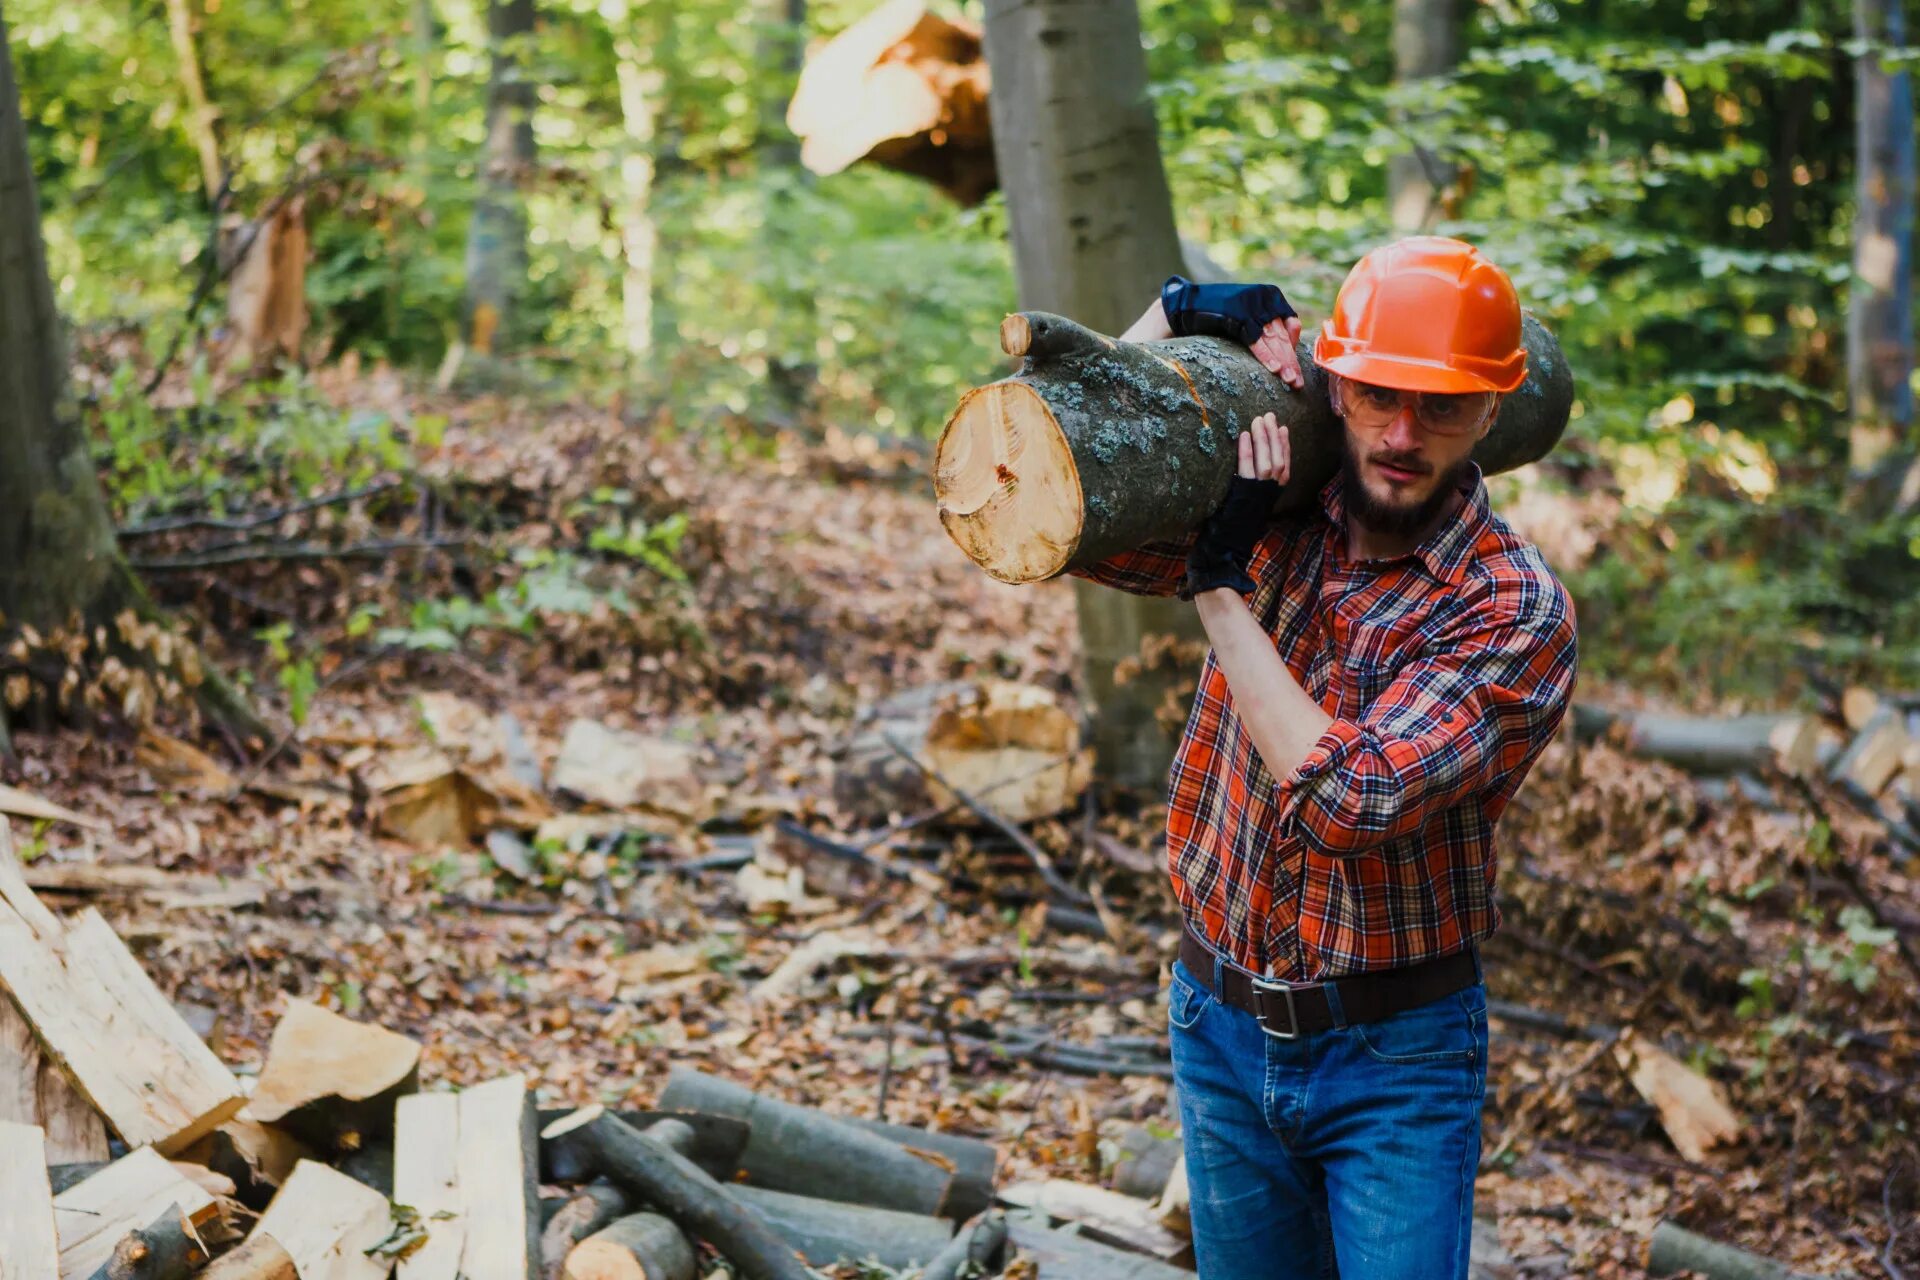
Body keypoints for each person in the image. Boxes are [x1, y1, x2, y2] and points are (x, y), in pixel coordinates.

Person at [1071, 236, 1579, 1280]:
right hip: (1217, 1022)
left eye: (1440, 406)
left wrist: (1220, 587)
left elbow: (1349, 794)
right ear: (1336, 384)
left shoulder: (1512, 607)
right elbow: (1066, 500)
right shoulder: (1274, 505)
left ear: (1492, 411)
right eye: (1380, 395)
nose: (1401, 433)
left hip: (1394, 1059)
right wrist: (1171, 316)